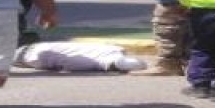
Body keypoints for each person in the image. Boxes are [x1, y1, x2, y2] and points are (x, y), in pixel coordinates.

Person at [13, 41, 147, 73]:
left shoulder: (109, 50)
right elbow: (134, 64)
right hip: (32, 56)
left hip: (34, 50)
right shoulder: (108, 57)